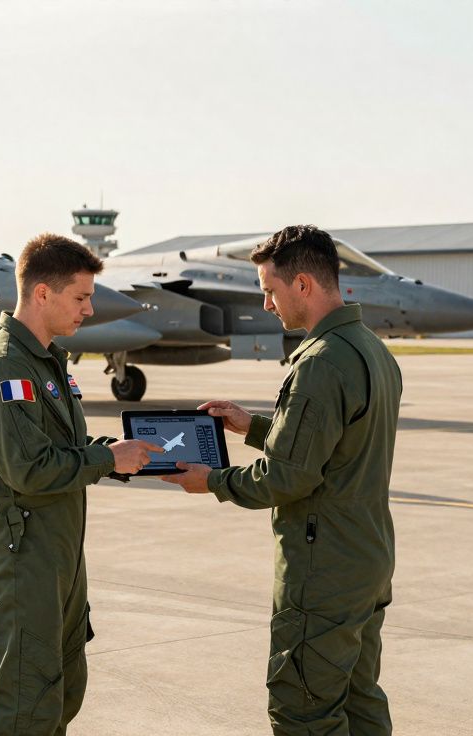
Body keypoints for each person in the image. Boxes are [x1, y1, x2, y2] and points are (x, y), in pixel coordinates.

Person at [164, 225, 403, 735]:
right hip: (366, 559)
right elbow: (334, 448)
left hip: (324, 571)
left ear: (302, 285)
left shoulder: (321, 362)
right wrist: (253, 427)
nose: (266, 304)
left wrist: (213, 480)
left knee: (304, 711)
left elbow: (287, 478)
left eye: (269, 290)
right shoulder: (372, 351)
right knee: (360, 702)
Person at [0, 233, 160, 735]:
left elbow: (63, 446)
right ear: (42, 294)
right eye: (81, 297)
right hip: (23, 556)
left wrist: (119, 454)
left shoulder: (48, 363)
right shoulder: (4, 367)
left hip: (60, 553)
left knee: (62, 695)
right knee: (24, 708)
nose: (89, 310)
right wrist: (103, 458)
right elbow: (28, 470)